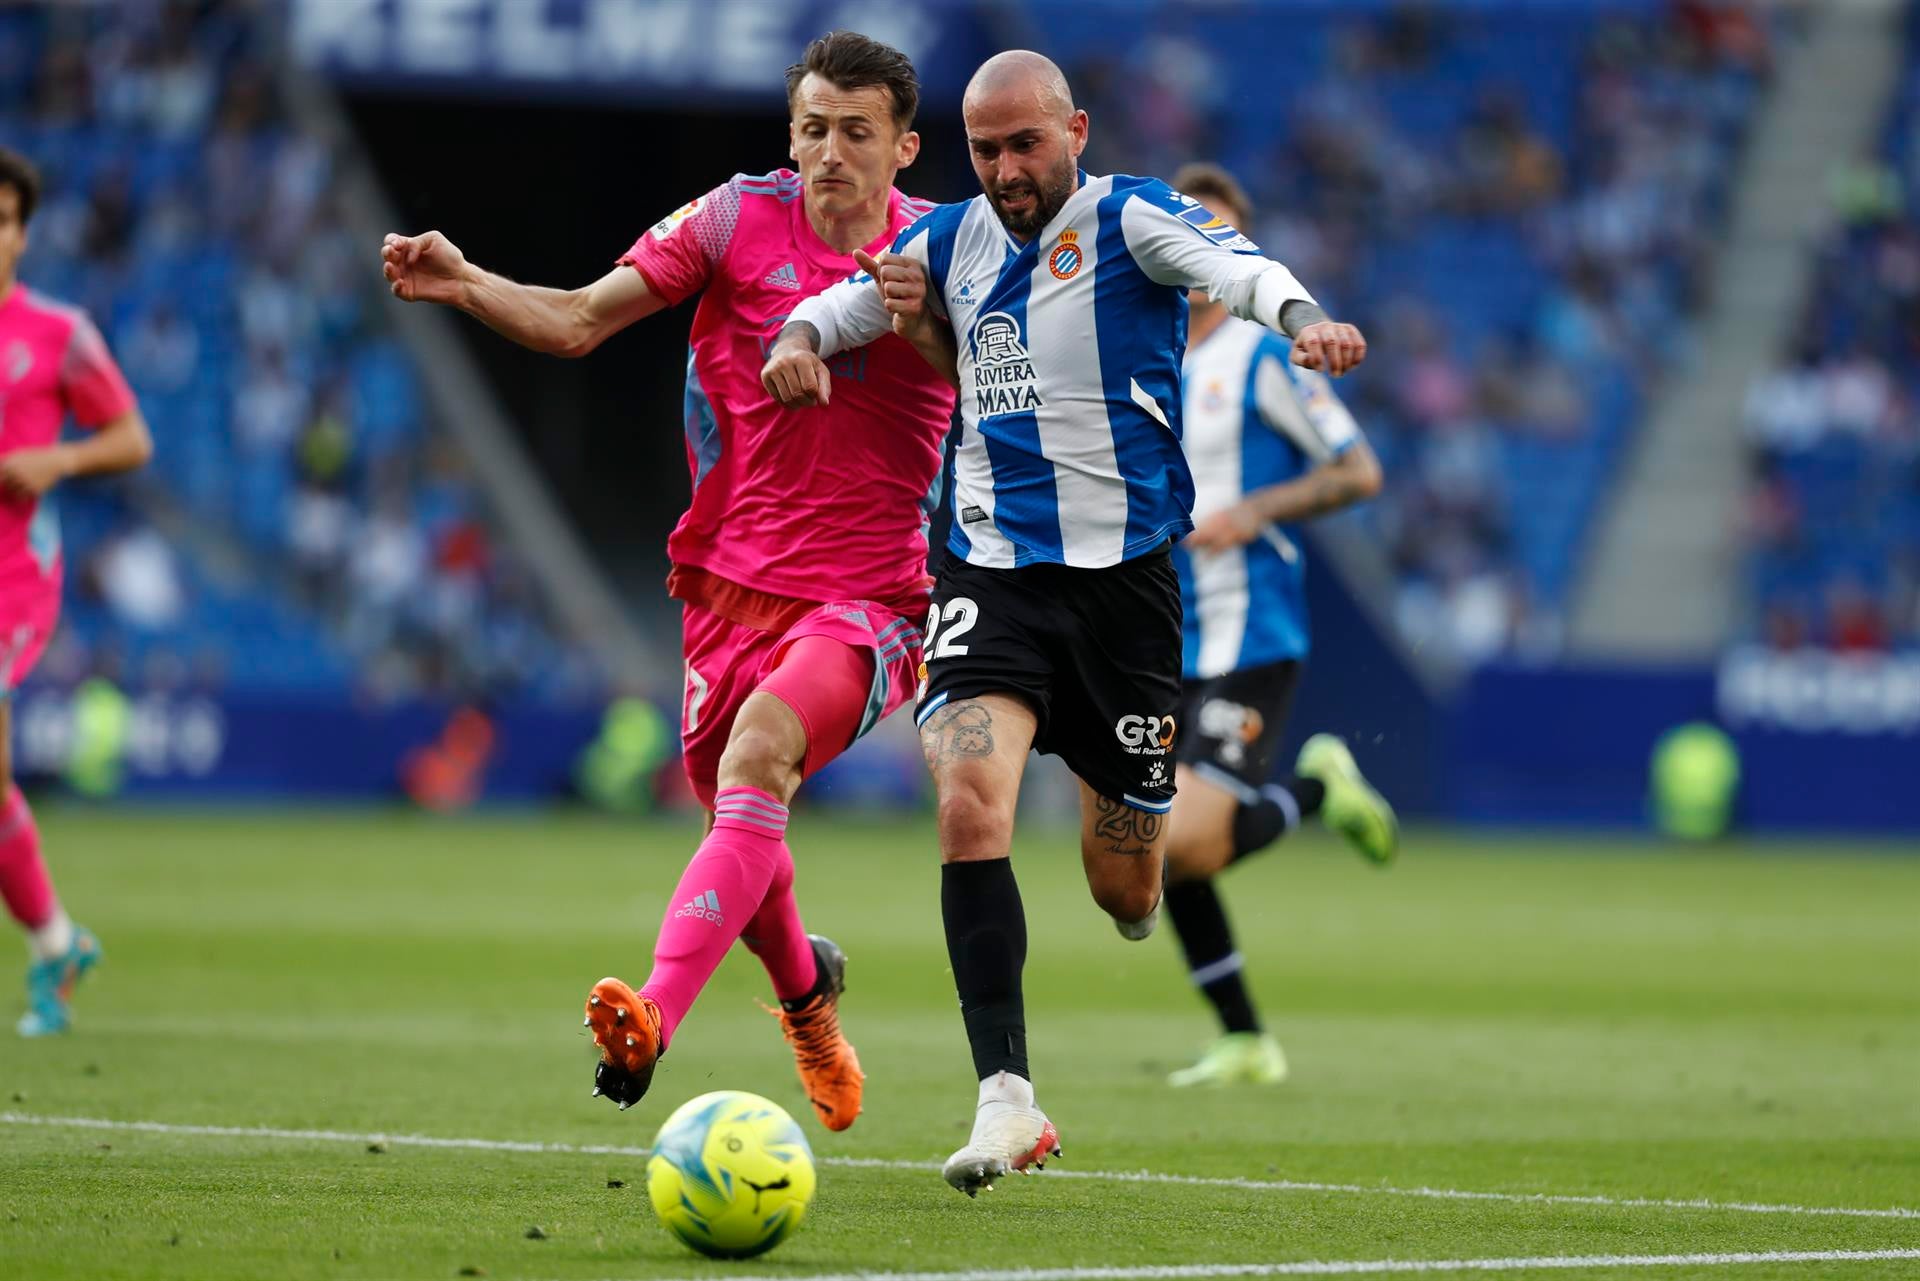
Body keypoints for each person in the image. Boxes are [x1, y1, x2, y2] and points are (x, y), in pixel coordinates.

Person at [763, 51, 1368, 1193]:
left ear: (1075, 131)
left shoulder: (1134, 218)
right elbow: (845, 304)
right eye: (985, 150)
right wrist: (797, 344)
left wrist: (1305, 318)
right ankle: (1006, 1099)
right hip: (992, 578)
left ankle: (1156, 869)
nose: (1005, 171)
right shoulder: (950, 239)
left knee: (1127, 889)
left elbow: (1239, 269)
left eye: (1025, 145)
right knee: (967, 796)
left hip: (1126, 600)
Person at [381, 32, 958, 1132]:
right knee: (744, 824)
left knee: (759, 757)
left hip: (870, 600)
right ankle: (809, 1000)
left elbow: (1013, 380)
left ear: (904, 147)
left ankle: (651, 1015)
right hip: (723, 591)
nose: (830, 152)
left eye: (856, 132)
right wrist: (465, 284)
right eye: (813, 129)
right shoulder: (735, 219)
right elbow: (576, 320)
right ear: (791, 133)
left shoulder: (947, 250)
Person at [1158, 162, 1398, 1090]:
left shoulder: (1261, 356)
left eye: (1219, 237)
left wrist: (1254, 510)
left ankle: (1313, 789)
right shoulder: (1141, 354)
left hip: (1249, 631)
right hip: (1159, 636)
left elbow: (1358, 470)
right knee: (1153, 852)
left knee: (1184, 842)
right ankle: (1246, 1040)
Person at [0, 147, 155, 1036]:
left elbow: (131, 437)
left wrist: (57, 458)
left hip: (13, 577)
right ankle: (57, 942)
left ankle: (55, 944)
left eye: (3, 220)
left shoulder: (59, 333)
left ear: (23, 234)